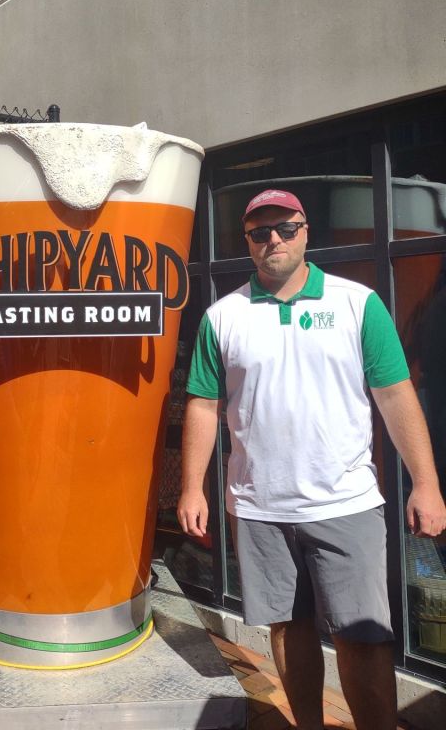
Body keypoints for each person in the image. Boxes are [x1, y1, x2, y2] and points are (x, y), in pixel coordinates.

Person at [176, 189, 446, 730]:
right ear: (248, 242)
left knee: (363, 637)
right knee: (287, 628)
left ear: (306, 232)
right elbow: (204, 406)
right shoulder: (222, 317)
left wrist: (426, 483)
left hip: (344, 502)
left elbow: (395, 395)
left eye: (285, 228)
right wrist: (191, 487)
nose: (273, 239)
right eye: (259, 232)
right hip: (260, 507)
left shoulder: (356, 304)